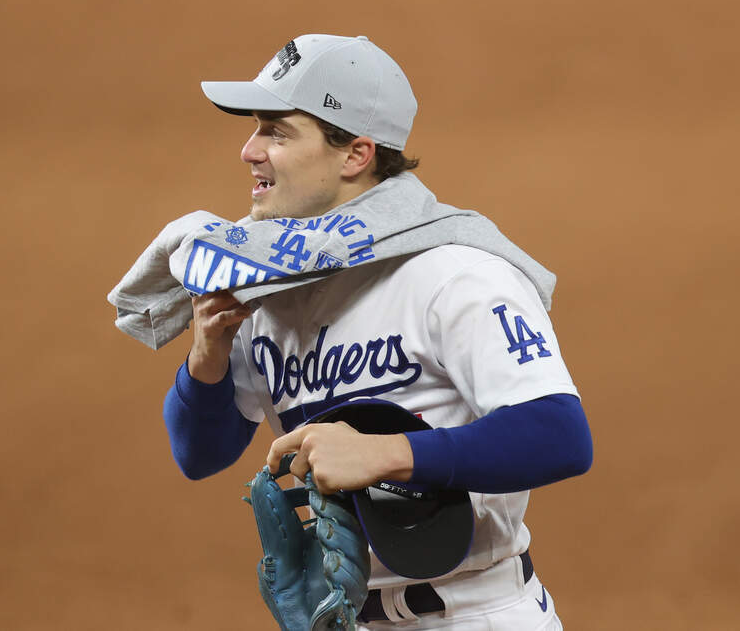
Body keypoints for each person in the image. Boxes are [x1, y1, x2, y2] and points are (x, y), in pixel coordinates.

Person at [158, 34, 593, 629]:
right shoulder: (267, 282)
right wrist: (206, 357)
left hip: (475, 612)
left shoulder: (454, 271)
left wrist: (386, 455)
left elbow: (559, 435)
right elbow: (199, 454)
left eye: (276, 132)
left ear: (356, 154)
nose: (249, 150)